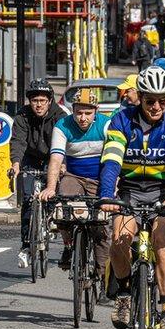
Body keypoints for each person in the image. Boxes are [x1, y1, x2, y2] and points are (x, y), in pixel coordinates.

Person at [99, 66, 165, 329]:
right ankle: (125, 294)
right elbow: (111, 161)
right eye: (150, 100)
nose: (156, 107)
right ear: (139, 97)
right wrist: (106, 196)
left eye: (162, 101)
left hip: (164, 192)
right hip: (130, 190)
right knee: (119, 240)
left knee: (161, 241)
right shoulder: (122, 120)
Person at [38, 89, 111, 280]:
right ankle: (69, 246)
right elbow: (55, 159)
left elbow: (114, 160)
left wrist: (112, 188)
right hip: (73, 175)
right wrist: (51, 187)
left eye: (88, 113)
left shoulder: (106, 125)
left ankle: (102, 275)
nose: (83, 118)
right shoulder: (63, 126)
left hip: (100, 178)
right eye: (79, 112)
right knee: (62, 209)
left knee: (100, 226)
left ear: (97, 111)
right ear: (73, 110)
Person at [11, 78, 67, 268]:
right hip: (31, 159)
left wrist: (62, 164)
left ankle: (50, 219)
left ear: (50, 101)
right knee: (28, 199)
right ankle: (26, 245)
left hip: (53, 158)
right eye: (35, 100)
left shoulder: (60, 116)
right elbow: (18, 141)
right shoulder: (22, 116)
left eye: (42, 100)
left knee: (52, 193)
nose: (38, 105)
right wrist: (16, 164)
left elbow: (66, 143)